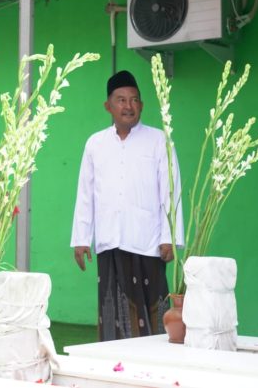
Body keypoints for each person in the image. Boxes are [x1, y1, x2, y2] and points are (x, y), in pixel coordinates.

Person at [70, 70, 183, 342]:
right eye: (121, 100)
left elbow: (172, 191)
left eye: (134, 100)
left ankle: (154, 365)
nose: (128, 106)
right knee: (112, 312)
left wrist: (171, 238)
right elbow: (86, 194)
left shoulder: (159, 140)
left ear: (141, 105)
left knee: (153, 311)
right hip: (110, 241)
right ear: (108, 106)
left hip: (149, 241)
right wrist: (82, 239)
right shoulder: (95, 143)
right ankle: (114, 362)